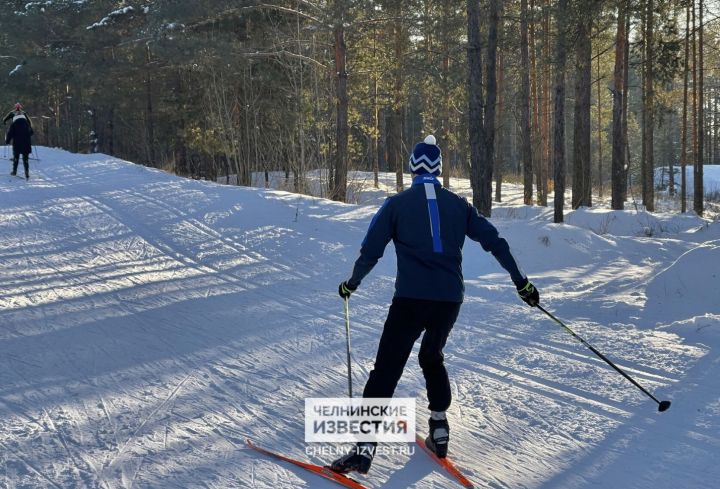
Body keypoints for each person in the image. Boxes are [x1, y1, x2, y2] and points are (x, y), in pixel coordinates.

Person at [330, 135, 539, 475]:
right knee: (431, 356)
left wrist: (351, 284)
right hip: (448, 300)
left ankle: (364, 450)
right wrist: (522, 283)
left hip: (410, 300)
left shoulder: (396, 205)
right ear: (439, 171)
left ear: (412, 168)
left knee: (386, 370)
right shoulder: (459, 205)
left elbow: (370, 251)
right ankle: (439, 429)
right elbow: (495, 242)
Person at [5, 111, 34, 179]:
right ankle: (27, 173)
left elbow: (10, 134)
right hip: (26, 143)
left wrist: (7, 141)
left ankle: (14, 171)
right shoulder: (27, 123)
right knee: (25, 159)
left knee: (16, 158)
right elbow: (32, 132)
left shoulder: (14, 124)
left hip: (17, 144)